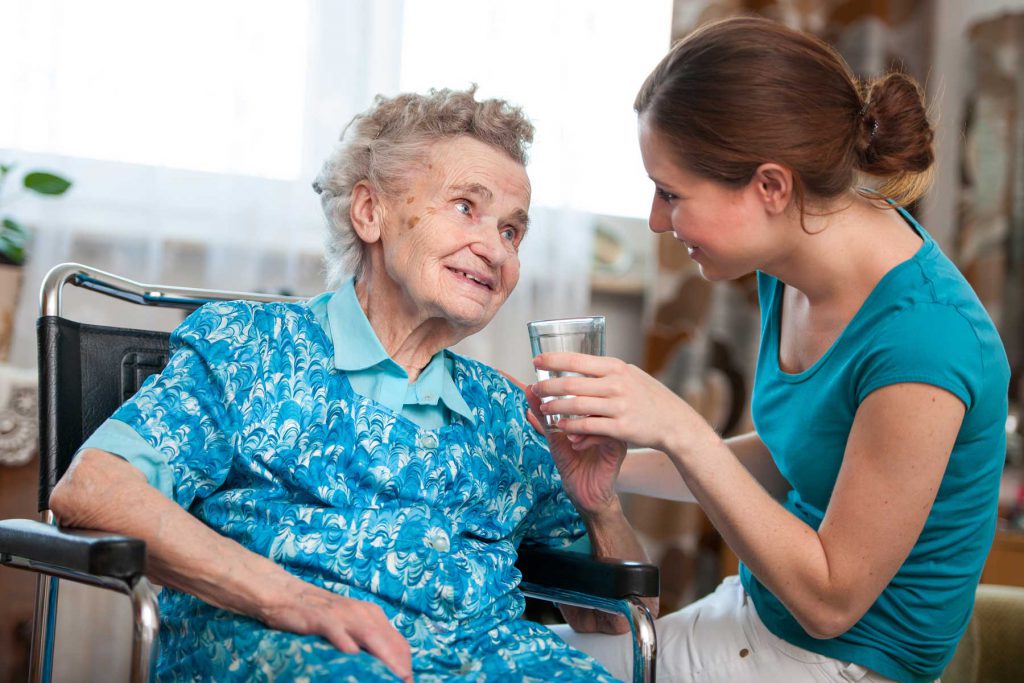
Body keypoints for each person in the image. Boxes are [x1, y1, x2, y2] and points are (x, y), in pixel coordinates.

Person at [48, 87, 651, 682]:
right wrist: (293, 599)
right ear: (370, 213)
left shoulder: (504, 409)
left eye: (513, 231)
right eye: (467, 206)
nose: (495, 248)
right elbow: (93, 490)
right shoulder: (252, 347)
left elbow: (613, 619)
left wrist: (600, 507)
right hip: (290, 650)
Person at [537, 17, 1009, 683]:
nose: (654, 220)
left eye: (671, 192)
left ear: (770, 187)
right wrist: (604, 467)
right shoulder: (788, 266)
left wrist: (680, 427)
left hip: (838, 663)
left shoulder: (924, 342)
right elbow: (794, 453)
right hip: (752, 619)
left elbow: (830, 600)